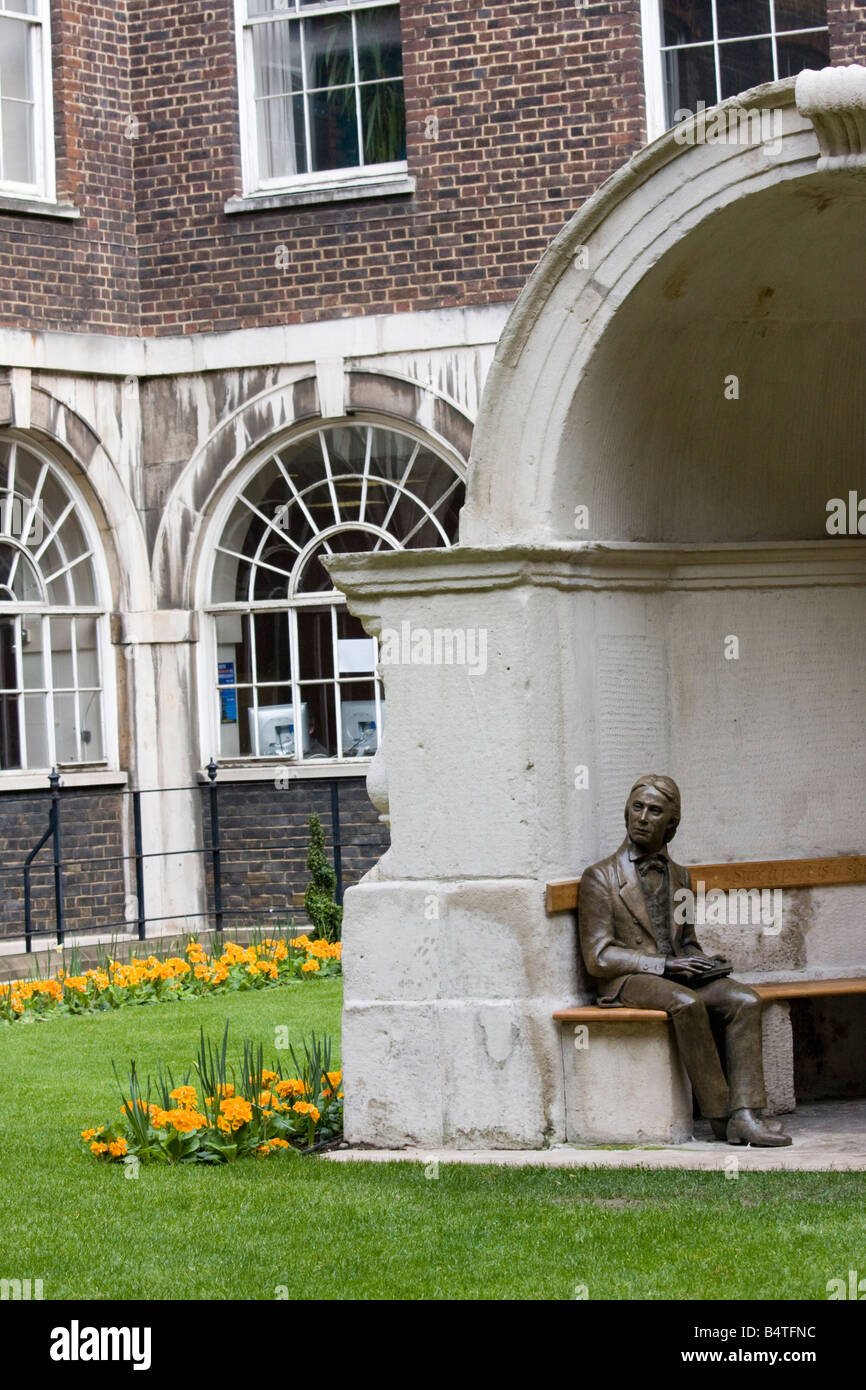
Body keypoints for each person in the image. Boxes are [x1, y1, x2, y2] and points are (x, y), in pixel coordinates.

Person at [577, 774, 791, 1146]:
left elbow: (686, 942)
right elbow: (598, 958)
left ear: (671, 824)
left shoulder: (680, 876)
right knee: (686, 1003)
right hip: (627, 979)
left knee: (745, 1000)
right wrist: (663, 965)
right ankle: (720, 1116)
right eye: (637, 808)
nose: (642, 817)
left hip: (676, 973)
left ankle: (746, 1114)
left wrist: (703, 961)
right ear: (626, 813)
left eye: (654, 811)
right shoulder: (600, 877)